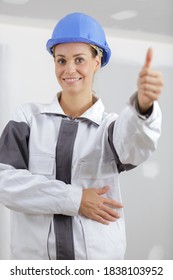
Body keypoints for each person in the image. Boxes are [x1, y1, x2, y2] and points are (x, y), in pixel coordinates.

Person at [0, 12, 163, 260]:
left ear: (97, 61)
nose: (69, 69)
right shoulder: (28, 119)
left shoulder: (109, 128)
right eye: (61, 60)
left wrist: (143, 107)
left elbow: (135, 145)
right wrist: (75, 199)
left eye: (79, 59)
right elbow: (5, 184)